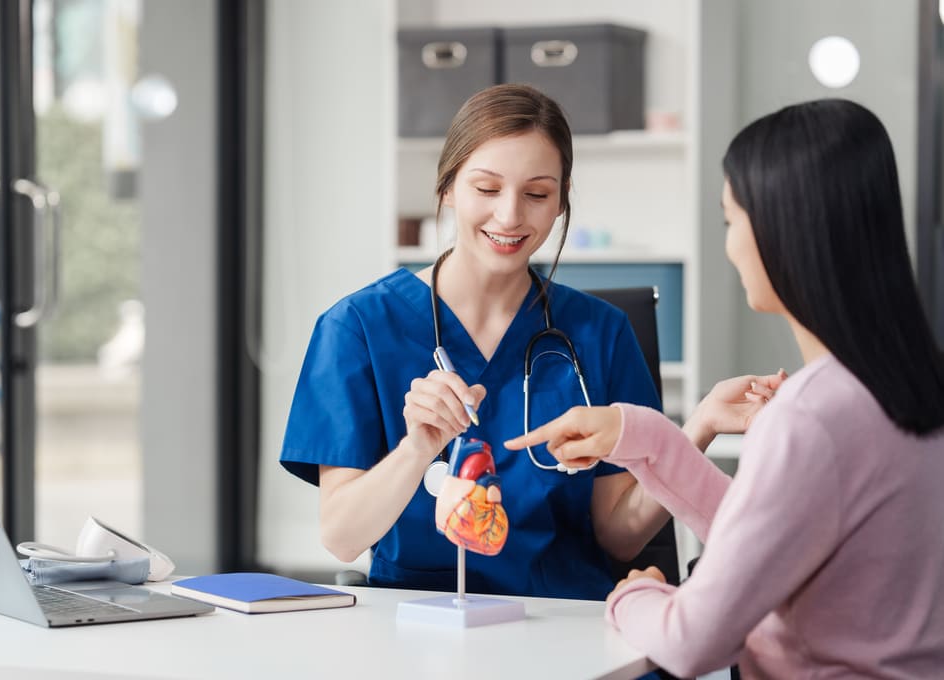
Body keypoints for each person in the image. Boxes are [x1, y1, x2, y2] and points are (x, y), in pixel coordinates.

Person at [279, 83, 771, 600]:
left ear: (560, 201)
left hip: (565, 621)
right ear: (447, 188)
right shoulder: (357, 327)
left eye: (537, 194)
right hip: (422, 622)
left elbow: (619, 536)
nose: (511, 216)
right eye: (486, 189)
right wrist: (416, 449)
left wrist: (699, 426)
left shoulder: (601, 333)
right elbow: (341, 537)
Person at [506, 98, 944, 677]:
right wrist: (647, 436)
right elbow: (767, 534)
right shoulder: (902, 385)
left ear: (786, 230)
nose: (730, 244)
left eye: (730, 220)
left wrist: (635, 597)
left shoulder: (812, 418)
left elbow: (692, 642)